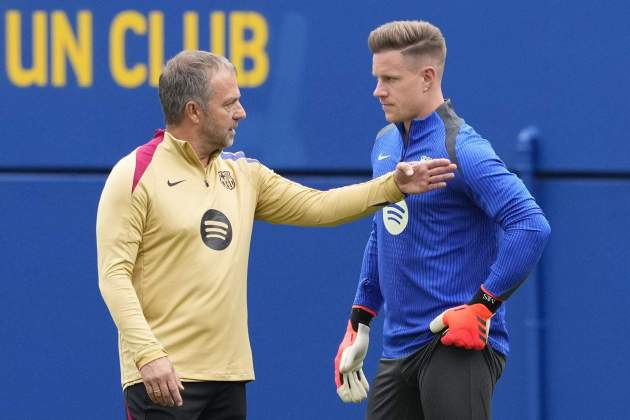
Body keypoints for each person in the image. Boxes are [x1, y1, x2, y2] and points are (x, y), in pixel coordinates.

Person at [96, 50, 456, 420]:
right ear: (194, 112)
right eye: (230, 103)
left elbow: (320, 206)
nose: (242, 112)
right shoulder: (136, 173)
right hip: (163, 380)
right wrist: (148, 355)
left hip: (229, 378)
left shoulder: (242, 175)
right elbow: (114, 276)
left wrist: (393, 186)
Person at [333, 20, 551, 419]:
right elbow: (382, 229)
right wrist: (360, 319)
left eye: (390, 79)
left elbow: (531, 225)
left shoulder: (462, 148)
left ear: (427, 77)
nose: (377, 90)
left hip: (455, 344)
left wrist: (481, 308)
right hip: (397, 350)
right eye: (377, 77)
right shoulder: (384, 143)